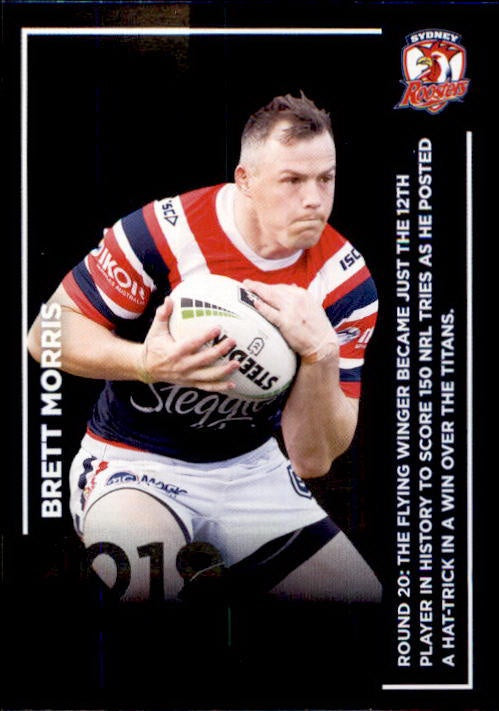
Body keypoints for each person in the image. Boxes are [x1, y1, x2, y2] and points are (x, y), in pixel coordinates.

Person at [27, 92, 381, 604]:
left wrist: (320, 354)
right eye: (292, 180)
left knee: (362, 607)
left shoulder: (345, 283)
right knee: (150, 588)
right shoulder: (164, 232)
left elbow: (311, 460)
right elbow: (45, 335)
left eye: (325, 179)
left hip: (252, 471)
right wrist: (145, 362)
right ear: (245, 180)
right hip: (133, 463)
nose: (314, 199)